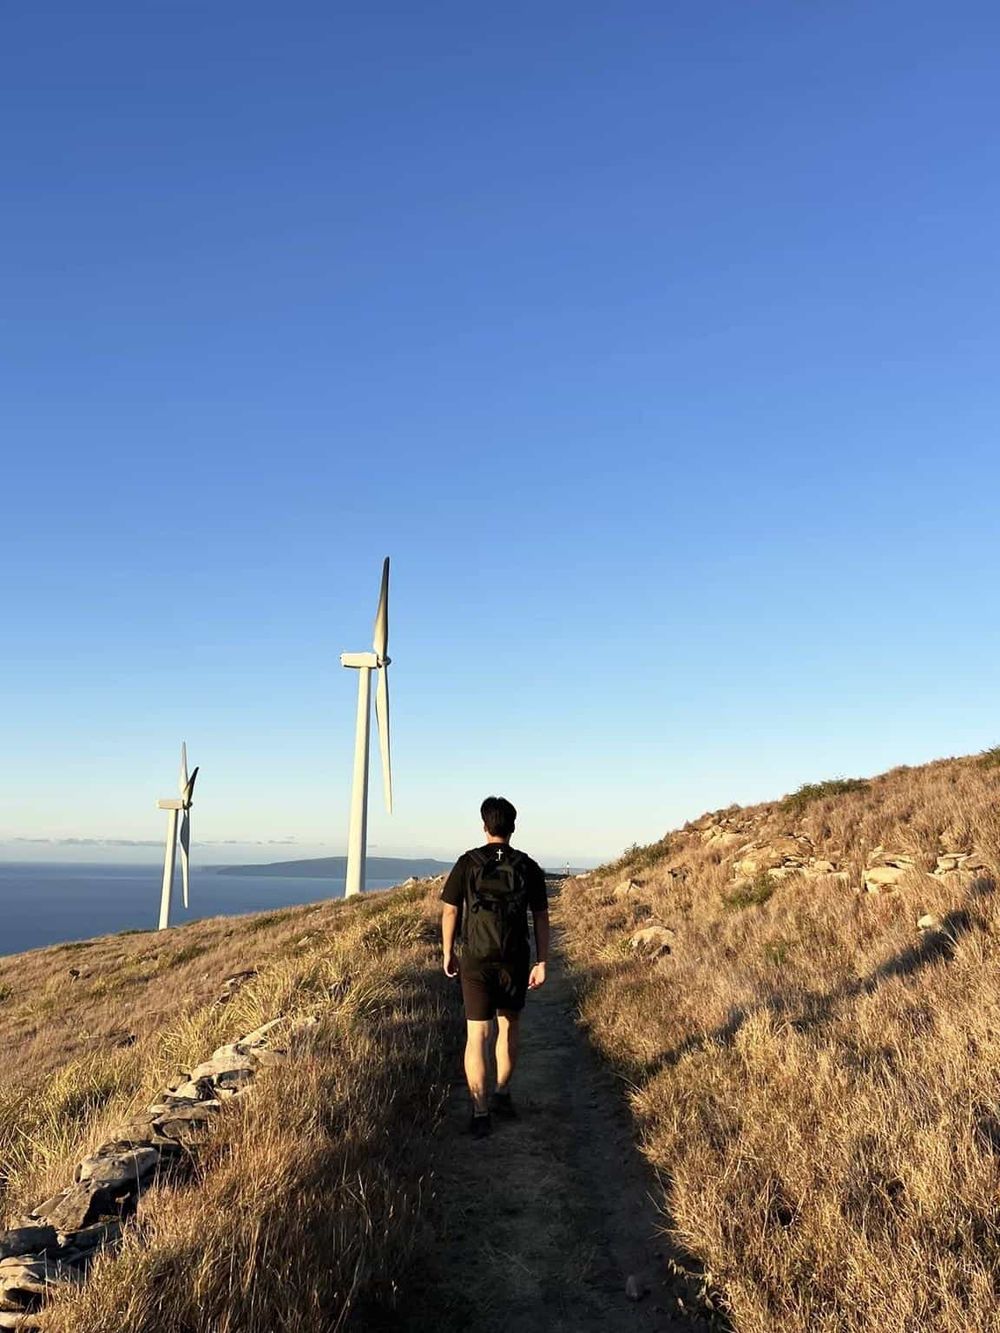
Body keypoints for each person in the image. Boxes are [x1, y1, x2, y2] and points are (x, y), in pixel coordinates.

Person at [440, 795, 549, 1138]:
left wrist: (448, 952)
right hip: (514, 958)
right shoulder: (527, 866)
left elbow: (450, 911)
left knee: (478, 1035)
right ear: (513, 827)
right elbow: (541, 917)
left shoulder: (468, 863)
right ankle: (502, 1093)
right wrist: (542, 960)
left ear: (484, 826)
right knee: (509, 1024)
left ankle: (480, 1111)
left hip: (476, 958)